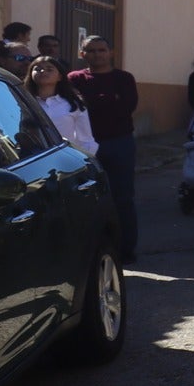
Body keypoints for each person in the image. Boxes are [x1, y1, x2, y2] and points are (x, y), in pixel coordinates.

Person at [69, 35, 138, 263]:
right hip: (84, 145)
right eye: (91, 50)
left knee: (122, 197)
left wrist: (92, 103)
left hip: (119, 143)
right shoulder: (74, 79)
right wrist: (107, 100)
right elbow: (74, 108)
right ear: (82, 54)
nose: (97, 55)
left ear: (110, 52)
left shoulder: (124, 78)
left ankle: (126, 249)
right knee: (86, 198)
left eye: (101, 50)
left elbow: (126, 107)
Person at [25, 56, 96, 156]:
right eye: (37, 69)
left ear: (60, 76)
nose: (42, 71)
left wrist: (85, 159)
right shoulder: (23, 102)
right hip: (31, 157)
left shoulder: (73, 104)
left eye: (49, 69)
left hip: (66, 156)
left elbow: (86, 140)